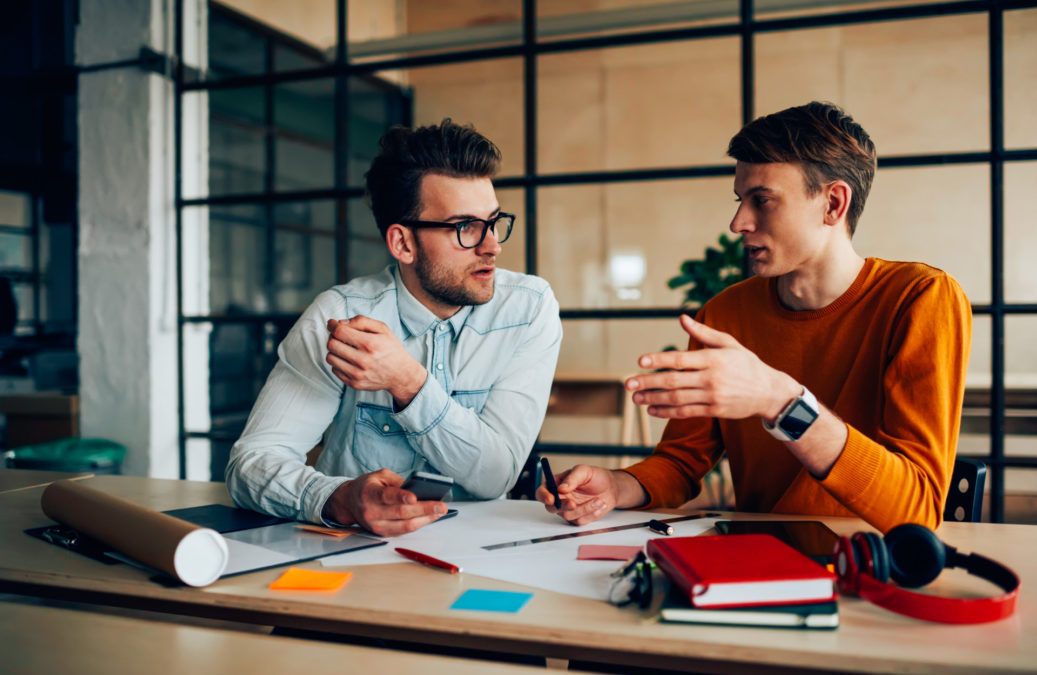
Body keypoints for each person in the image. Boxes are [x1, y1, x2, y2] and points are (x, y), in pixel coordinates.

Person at [538, 101, 971, 533]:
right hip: (756, 561)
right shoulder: (725, 313)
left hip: (871, 566)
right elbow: (681, 462)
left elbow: (917, 508)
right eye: (740, 200)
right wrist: (617, 485)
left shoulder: (921, 299)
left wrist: (782, 401)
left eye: (762, 200)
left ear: (833, 204)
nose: (738, 222)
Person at [227, 119, 562, 535]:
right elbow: (252, 465)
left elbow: (496, 476)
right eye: (465, 228)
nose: (492, 245)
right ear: (403, 243)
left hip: (479, 556)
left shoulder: (527, 309)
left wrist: (407, 382)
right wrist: (339, 499)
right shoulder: (340, 316)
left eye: (493, 222)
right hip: (348, 554)